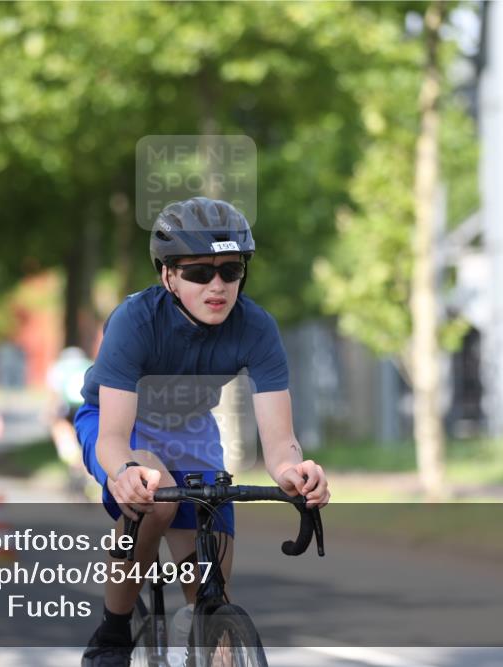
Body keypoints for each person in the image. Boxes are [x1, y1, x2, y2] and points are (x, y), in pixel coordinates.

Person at [77, 197, 330, 666]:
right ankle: (111, 635)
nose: (217, 286)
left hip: (191, 430)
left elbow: (280, 444)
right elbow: (114, 438)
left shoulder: (256, 326)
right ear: (167, 275)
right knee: (153, 497)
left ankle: (199, 627)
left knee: (210, 592)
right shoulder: (135, 322)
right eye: (198, 272)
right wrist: (127, 470)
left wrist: (296, 472)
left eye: (230, 271)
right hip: (117, 423)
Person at [46, 346, 95, 494]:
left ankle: (74, 462)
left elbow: (54, 394)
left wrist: (50, 414)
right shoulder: (89, 364)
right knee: (88, 438)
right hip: (87, 405)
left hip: (67, 407)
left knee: (61, 429)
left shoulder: (58, 368)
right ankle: (88, 474)